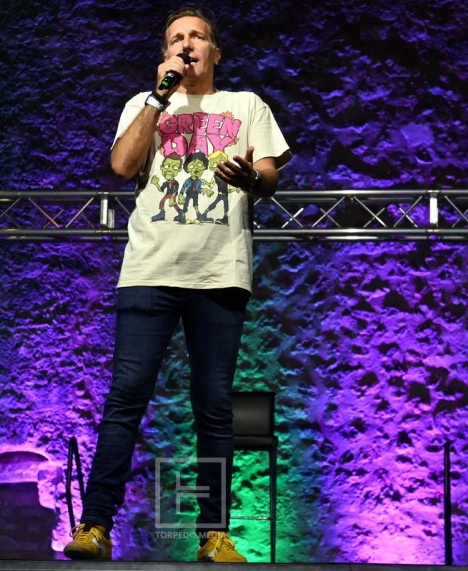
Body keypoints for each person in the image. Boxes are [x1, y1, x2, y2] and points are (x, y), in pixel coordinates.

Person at [64, 6, 291, 562]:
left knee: (213, 405)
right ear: (165, 54)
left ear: (215, 52)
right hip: (150, 271)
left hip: (219, 274)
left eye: (197, 37)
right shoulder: (143, 105)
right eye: (175, 39)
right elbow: (122, 166)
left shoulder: (246, 106)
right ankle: (95, 526)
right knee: (126, 397)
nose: (186, 45)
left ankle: (214, 534)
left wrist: (251, 177)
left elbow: (269, 175)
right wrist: (157, 98)